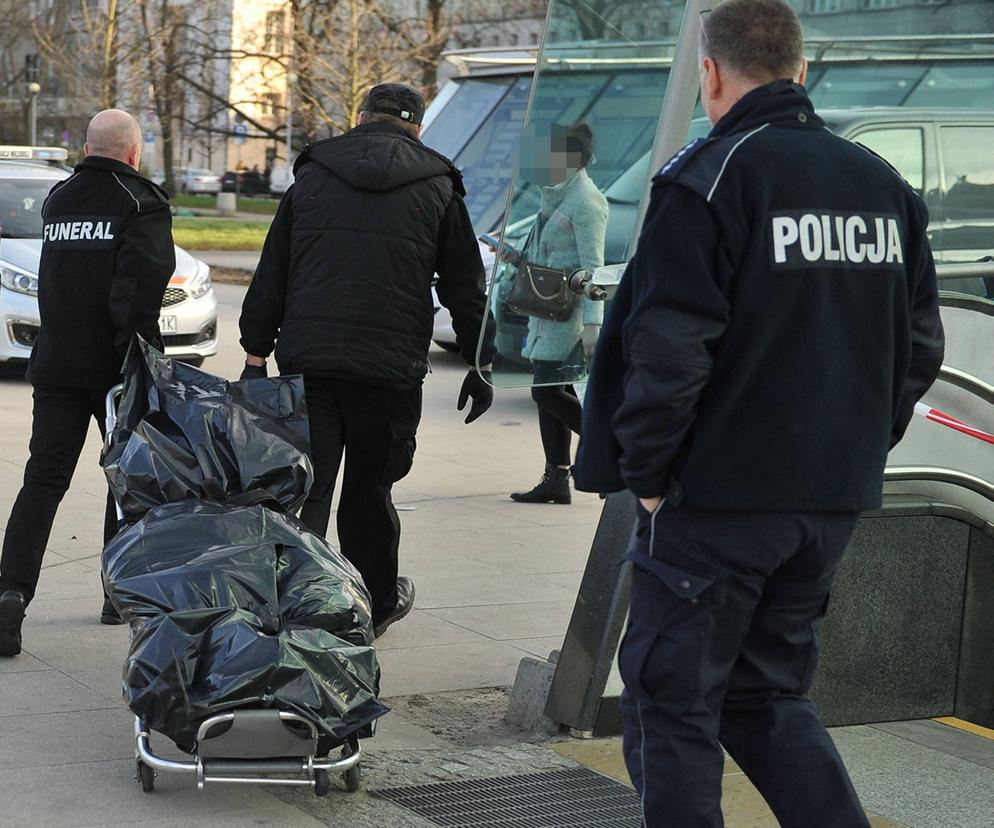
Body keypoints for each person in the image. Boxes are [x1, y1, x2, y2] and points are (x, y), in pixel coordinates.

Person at [573, 1, 944, 825]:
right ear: (801, 71)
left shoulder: (709, 176)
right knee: (766, 695)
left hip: (717, 504)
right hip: (828, 501)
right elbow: (921, 347)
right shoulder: (883, 186)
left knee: (672, 706)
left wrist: (652, 478)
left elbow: (667, 350)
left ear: (710, 72)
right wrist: (851, 452)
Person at [238, 83, 494, 639]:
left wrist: (255, 354)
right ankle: (372, 609)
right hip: (390, 369)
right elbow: (465, 286)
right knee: (371, 492)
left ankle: (290, 606)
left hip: (310, 363)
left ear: (359, 117)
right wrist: (480, 361)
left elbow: (273, 269)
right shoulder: (438, 184)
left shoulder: (313, 173)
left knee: (308, 490)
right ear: (418, 128)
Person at [0, 109, 175, 657]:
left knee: (43, 481)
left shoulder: (59, 199)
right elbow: (138, 296)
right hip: (113, 369)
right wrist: (146, 368)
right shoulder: (140, 201)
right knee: (126, 483)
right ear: (132, 152)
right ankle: (116, 593)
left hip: (55, 364)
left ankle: (10, 595)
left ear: (87, 147)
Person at [509, 121, 608, 506]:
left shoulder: (585, 200)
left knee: (545, 391)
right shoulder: (556, 194)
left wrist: (593, 323)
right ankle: (556, 478)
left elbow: (594, 266)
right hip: (548, 313)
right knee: (552, 392)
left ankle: (610, 451)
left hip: (569, 317)